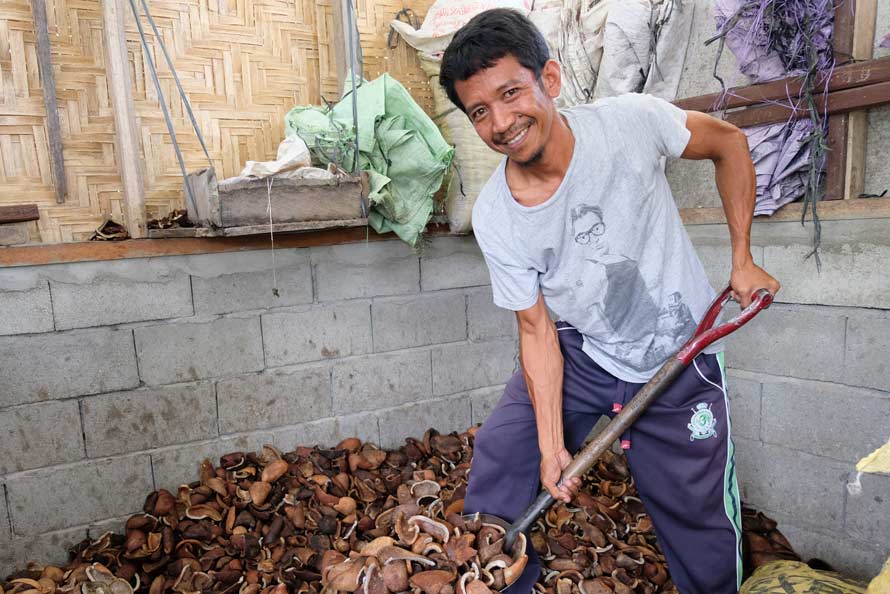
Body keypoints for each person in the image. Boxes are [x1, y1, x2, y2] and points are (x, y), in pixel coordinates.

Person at [438, 8, 781, 594]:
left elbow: (728, 143)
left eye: (510, 93)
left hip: (681, 355)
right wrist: (551, 448)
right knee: (504, 454)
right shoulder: (497, 216)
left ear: (549, 79)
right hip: (584, 351)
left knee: (699, 518)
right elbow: (536, 331)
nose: (500, 122)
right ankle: (504, 580)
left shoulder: (630, 123)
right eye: (479, 112)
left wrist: (742, 257)